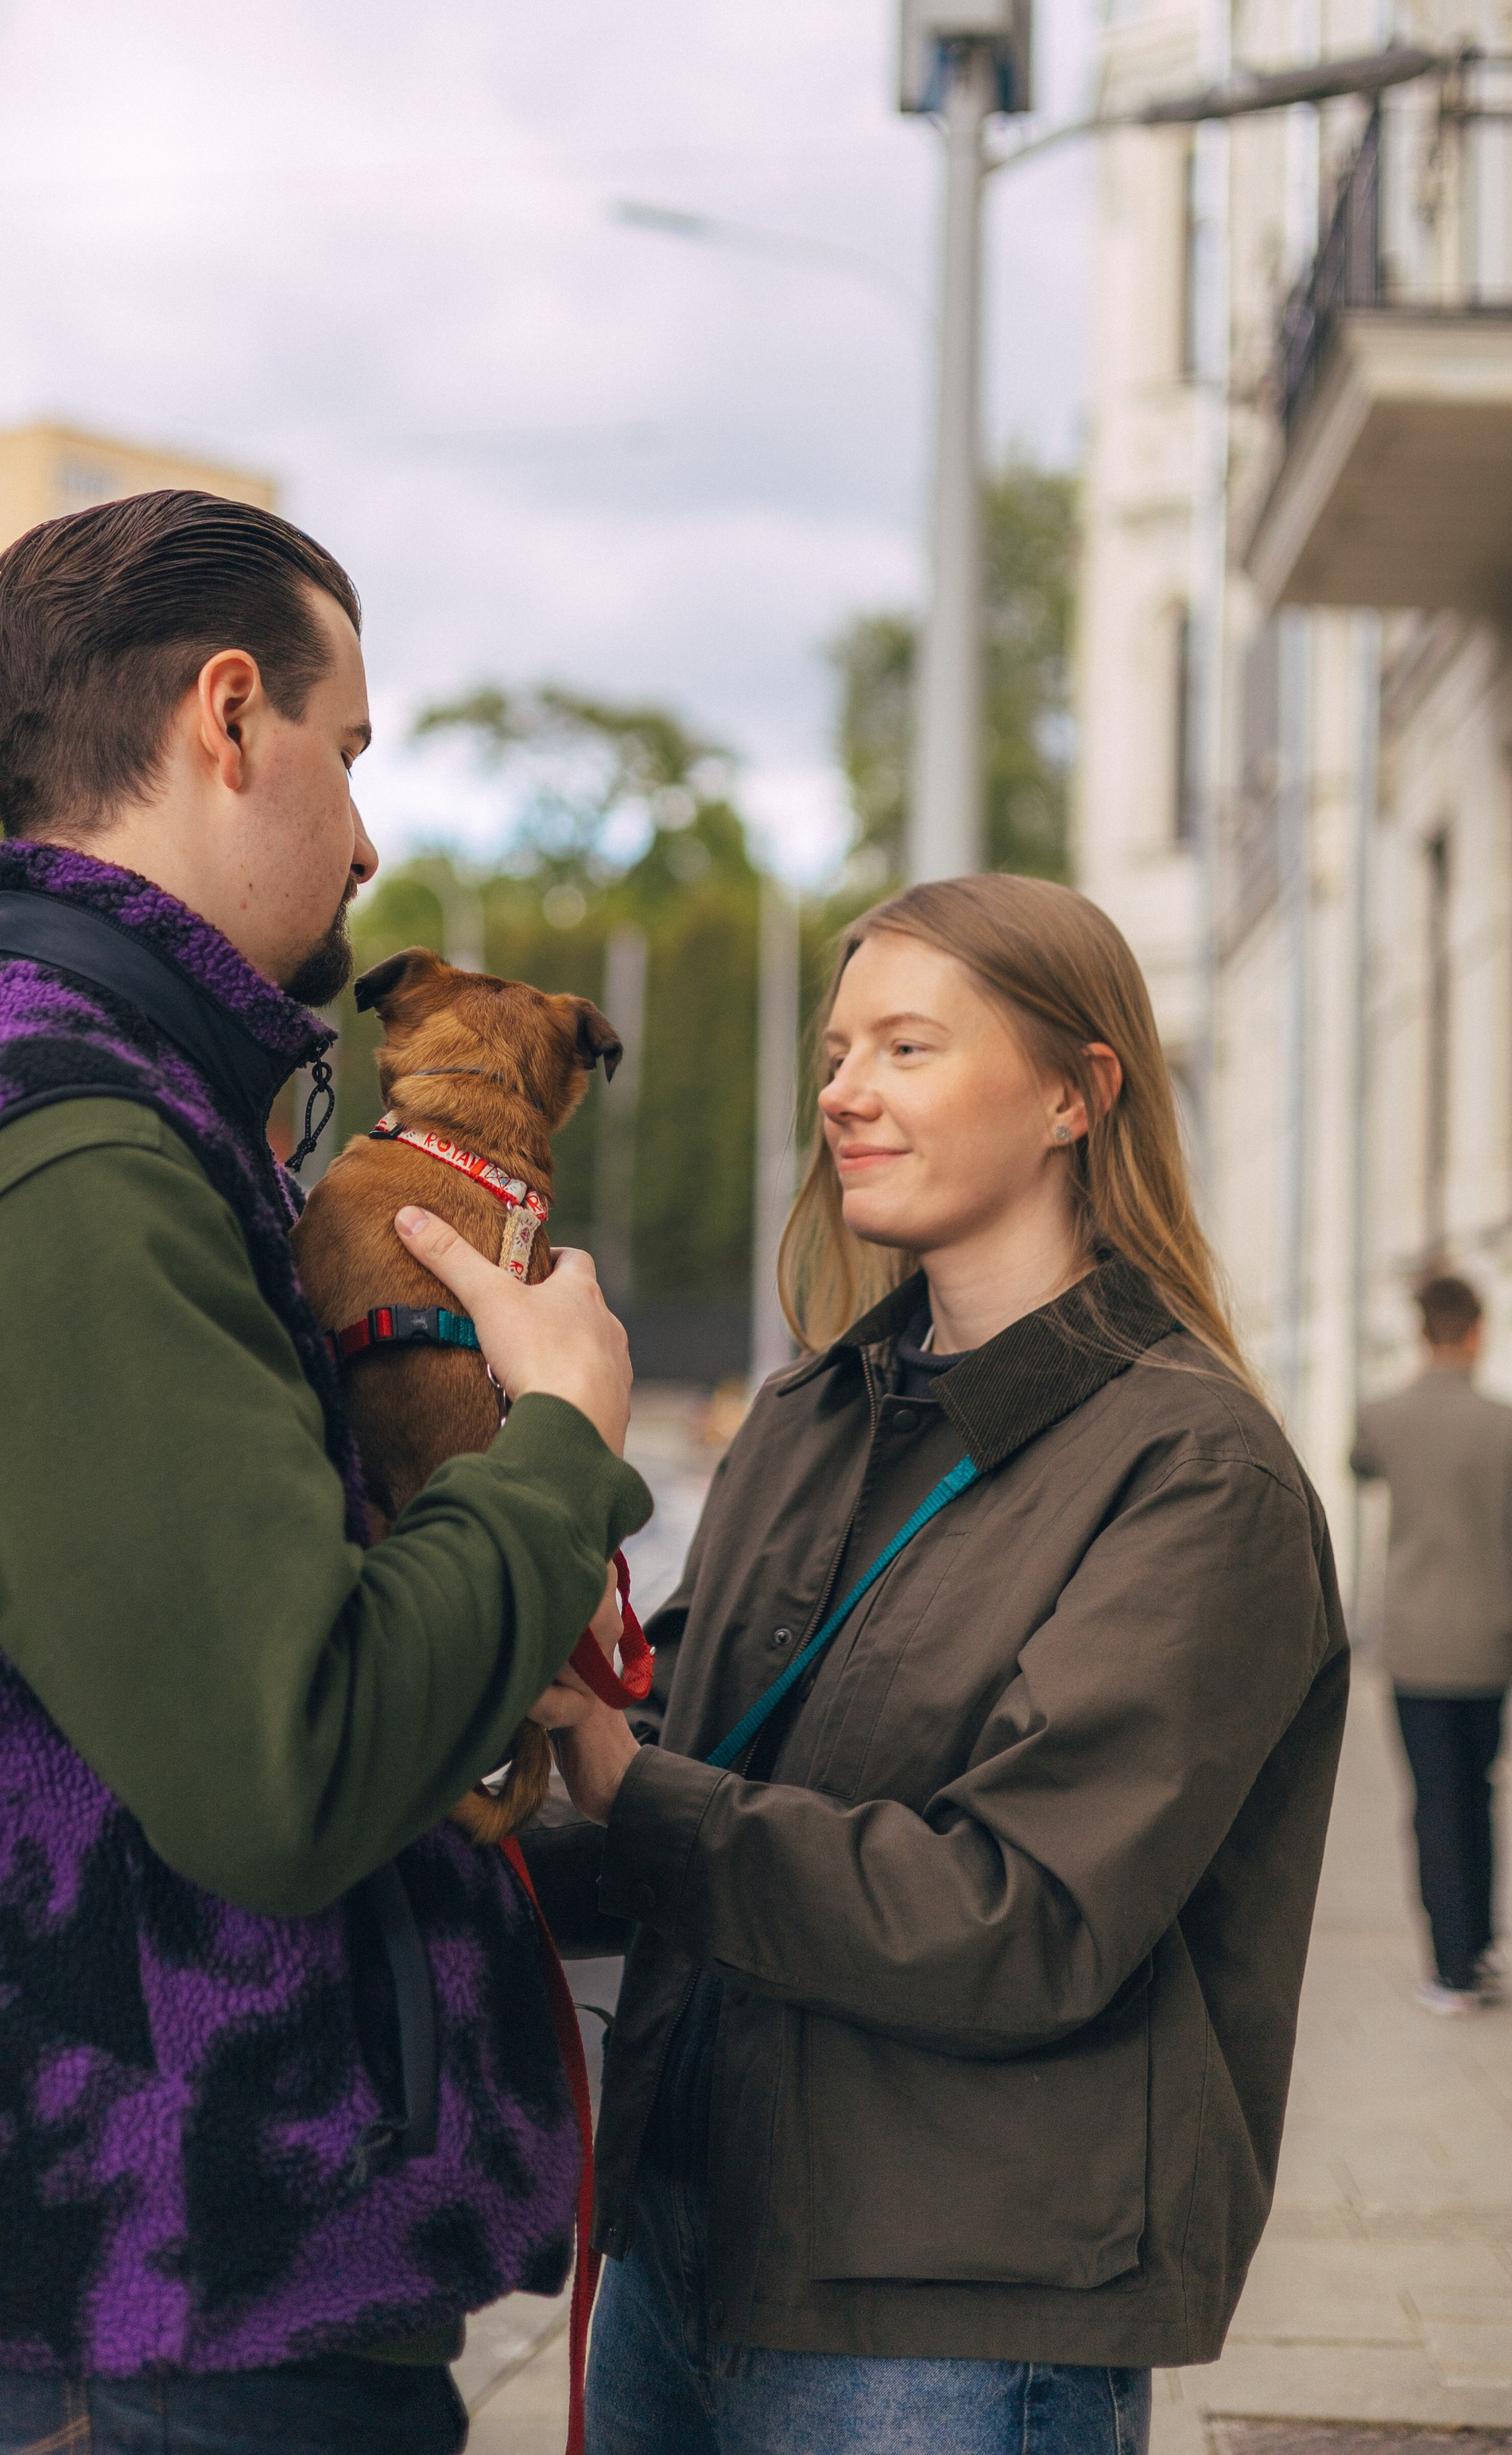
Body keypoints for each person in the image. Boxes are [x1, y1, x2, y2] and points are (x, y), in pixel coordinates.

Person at [0, 488, 648, 2455]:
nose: (366, 836)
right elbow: (294, 1758)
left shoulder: (144, 1111)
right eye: (345, 752)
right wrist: (556, 1440)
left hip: (183, 2306)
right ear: (222, 717)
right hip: (156, 2326)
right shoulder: (73, 1157)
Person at [509, 873, 1348, 2455]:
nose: (841, 1093)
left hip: (953, 2321)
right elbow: (659, 1753)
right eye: (836, 1052)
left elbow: (1016, 1920)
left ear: (1070, 1095)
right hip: (679, 2256)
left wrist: (631, 1788)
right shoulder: (808, 1415)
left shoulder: (1191, 1475)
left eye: (904, 1048)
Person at [1352, 1268, 1512, 2015]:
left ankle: (1448, 1969)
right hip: (1489, 1641)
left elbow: (1360, 1469)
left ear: (1421, 1333)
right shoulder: (1503, 1425)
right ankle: (1479, 1947)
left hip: (1416, 1645)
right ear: (1478, 1332)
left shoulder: (1382, 1415)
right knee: (1478, 1794)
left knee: (1434, 1803)